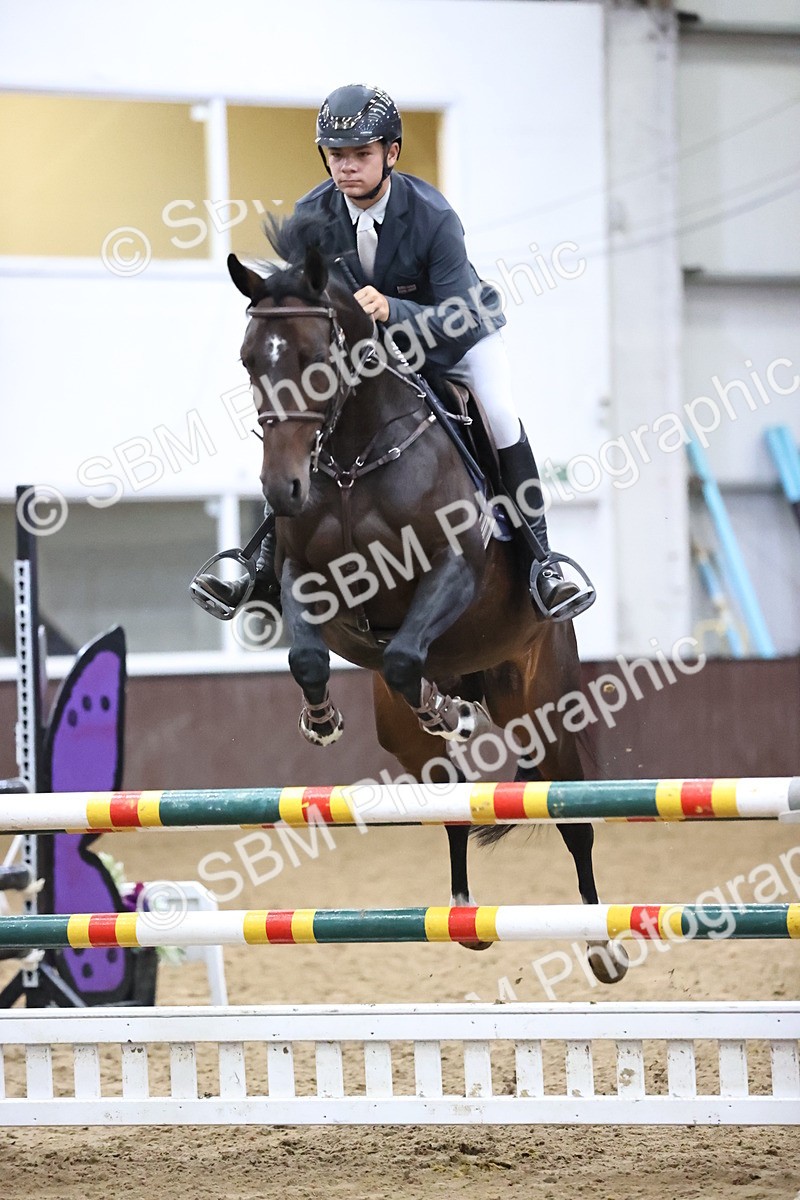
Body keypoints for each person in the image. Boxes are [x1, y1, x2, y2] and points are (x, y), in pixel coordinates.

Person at [191, 84, 594, 622]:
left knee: (498, 412)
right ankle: (262, 560)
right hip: (371, 351)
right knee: (303, 416)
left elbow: (459, 314)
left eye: (361, 154)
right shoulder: (313, 214)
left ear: (391, 153)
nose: (348, 167)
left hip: (456, 337)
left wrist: (392, 313)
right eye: (337, 155)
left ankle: (541, 561)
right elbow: (300, 303)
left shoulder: (432, 216)